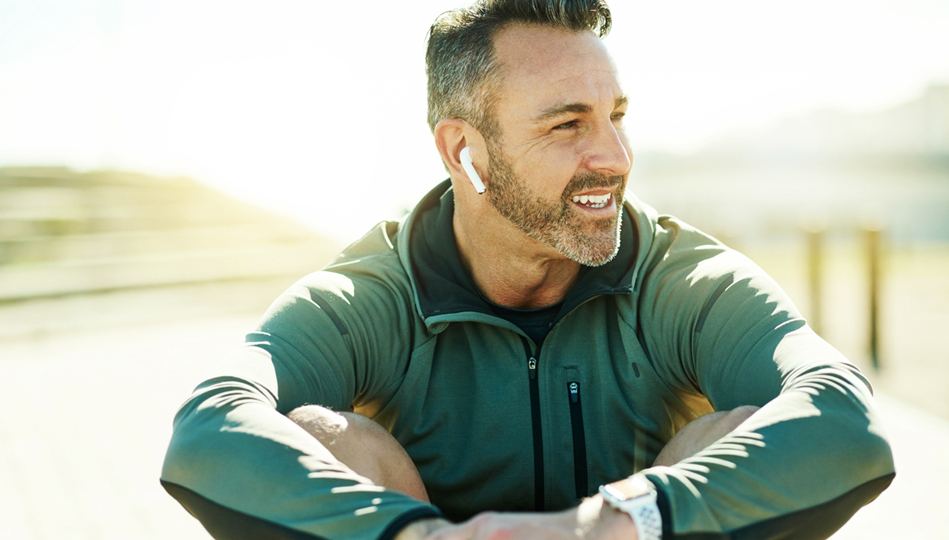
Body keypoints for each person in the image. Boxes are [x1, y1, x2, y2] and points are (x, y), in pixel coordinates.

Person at [161, 1, 895, 539]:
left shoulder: (680, 277)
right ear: (462, 152)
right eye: (567, 123)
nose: (612, 154)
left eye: (615, 115)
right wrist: (425, 539)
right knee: (326, 434)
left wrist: (614, 521)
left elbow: (844, 415)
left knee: (738, 426)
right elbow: (210, 427)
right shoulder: (372, 292)